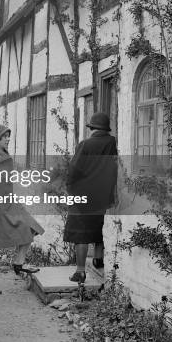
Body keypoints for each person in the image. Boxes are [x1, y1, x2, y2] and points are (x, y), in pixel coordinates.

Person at [0, 124, 44, 294]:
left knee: (31, 227)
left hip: (8, 204)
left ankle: (19, 262)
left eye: (8, 136)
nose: (8, 139)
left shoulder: (3, 155)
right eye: (5, 137)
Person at [63, 111, 118, 283]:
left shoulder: (85, 145)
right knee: (98, 226)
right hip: (102, 195)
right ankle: (99, 259)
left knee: (81, 234)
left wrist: (70, 189)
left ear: (92, 128)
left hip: (83, 196)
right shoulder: (111, 143)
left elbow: (73, 171)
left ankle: (80, 271)